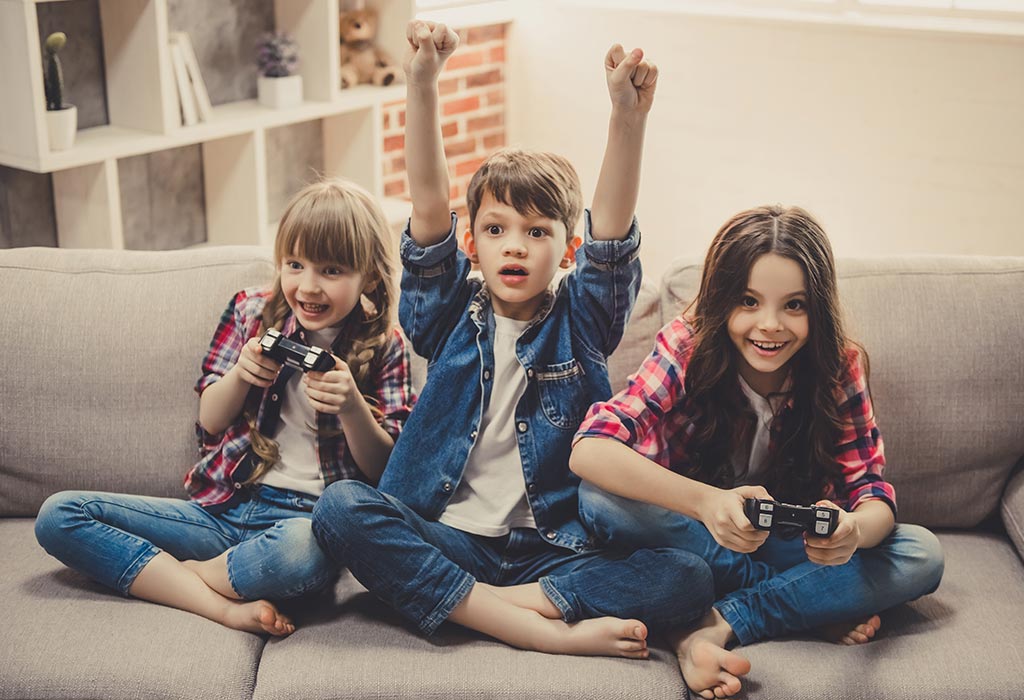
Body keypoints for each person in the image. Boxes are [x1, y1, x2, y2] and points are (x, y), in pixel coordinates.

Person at [311, 20, 713, 658]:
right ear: (471, 244)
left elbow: (611, 241)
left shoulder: (581, 320)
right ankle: (529, 629)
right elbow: (426, 201)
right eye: (496, 230)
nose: (515, 247)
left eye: (536, 232)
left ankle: (473, 605)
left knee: (688, 575)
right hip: (446, 535)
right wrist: (422, 83)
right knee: (340, 509)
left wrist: (626, 118)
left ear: (567, 248)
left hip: (551, 553)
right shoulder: (447, 315)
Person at [570, 205, 944, 697]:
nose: (769, 325)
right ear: (722, 300)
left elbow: (871, 491)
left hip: (784, 538)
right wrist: (706, 502)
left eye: (794, 305)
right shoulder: (688, 345)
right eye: (748, 301)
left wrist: (853, 531)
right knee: (598, 499)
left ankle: (721, 618)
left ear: (818, 308)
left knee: (921, 552)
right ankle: (807, 602)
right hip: (693, 530)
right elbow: (589, 449)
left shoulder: (838, 366)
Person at [35, 179, 414, 636]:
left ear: (368, 276)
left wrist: (353, 406)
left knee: (302, 556)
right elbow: (210, 420)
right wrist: (241, 374)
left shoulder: (386, 345)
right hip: (222, 507)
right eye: (294, 264)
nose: (308, 286)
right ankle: (222, 605)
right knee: (60, 515)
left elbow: (384, 472)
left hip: (304, 525)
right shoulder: (251, 310)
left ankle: (180, 577)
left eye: (331, 271)